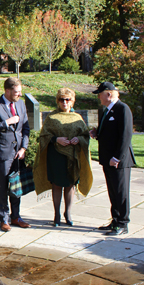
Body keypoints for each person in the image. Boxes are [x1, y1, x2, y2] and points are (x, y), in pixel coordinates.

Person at [33, 88, 93, 226]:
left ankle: (68, 212)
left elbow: (85, 136)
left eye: (67, 100)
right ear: (57, 101)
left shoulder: (77, 118)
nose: (64, 102)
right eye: (61, 100)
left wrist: (78, 139)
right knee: (57, 184)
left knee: (70, 184)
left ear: (72, 102)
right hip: (55, 156)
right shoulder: (51, 118)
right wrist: (56, 139)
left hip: (72, 156)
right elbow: (43, 136)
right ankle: (57, 214)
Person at [90, 82, 136, 236]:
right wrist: (98, 133)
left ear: (108, 94)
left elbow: (126, 136)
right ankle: (115, 220)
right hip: (107, 159)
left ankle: (123, 223)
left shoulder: (122, 109)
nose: (99, 97)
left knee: (121, 192)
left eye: (100, 94)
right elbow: (110, 132)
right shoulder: (106, 110)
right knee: (113, 191)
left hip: (118, 161)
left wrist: (117, 157)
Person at [0, 77, 31, 232]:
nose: (19, 94)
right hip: (3, 152)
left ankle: (16, 217)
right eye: (16, 92)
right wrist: (7, 122)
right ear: (8, 90)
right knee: (4, 186)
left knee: (16, 184)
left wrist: (23, 148)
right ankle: (4, 219)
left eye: (20, 92)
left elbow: (26, 128)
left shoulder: (21, 104)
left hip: (18, 152)